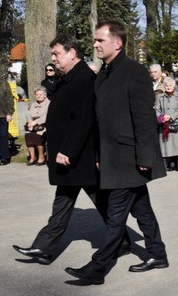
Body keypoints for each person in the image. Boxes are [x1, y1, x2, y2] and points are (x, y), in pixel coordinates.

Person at [13, 33, 130, 266]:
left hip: (79, 155)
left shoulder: (84, 78)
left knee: (102, 202)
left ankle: (124, 241)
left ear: (72, 53)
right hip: (70, 155)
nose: (53, 58)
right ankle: (43, 248)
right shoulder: (68, 78)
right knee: (64, 202)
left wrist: (68, 150)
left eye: (56, 54)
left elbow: (83, 119)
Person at [65, 20, 168, 284]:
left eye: (100, 40)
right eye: (95, 40)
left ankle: (98, 268)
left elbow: (144, 118)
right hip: (113, 157)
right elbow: (102, 120)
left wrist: (146, 157)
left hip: (130, 157)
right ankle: (158, 253)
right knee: (141, 209)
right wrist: (100, 155)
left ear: (117, 43)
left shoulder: (134, 71)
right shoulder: (105, 72)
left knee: (115, 214)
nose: (95, 44)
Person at [155, 77, 178, 171]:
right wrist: (162, 117)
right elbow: (156, 109)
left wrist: (170, 117)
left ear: (174, 86)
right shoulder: (160, 97)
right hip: (164, 123)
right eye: (166, 85)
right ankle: (167, 164)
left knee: (177, 143)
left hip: (176, 123)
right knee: (166, 144)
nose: (168, 87)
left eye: (170, 85)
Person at [25, 87, 49, 166]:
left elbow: (46, 116)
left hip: (44, 125)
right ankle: (33, 157)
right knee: (28, 135)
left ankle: (41, 157)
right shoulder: (33, 104)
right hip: (33, 125)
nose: (38, 96)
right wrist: (30, 122)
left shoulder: (48, 103)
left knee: (38, 135)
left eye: (40, 94)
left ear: (45, 95)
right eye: (37, 94)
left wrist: (35, 122)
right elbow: (29, 114)